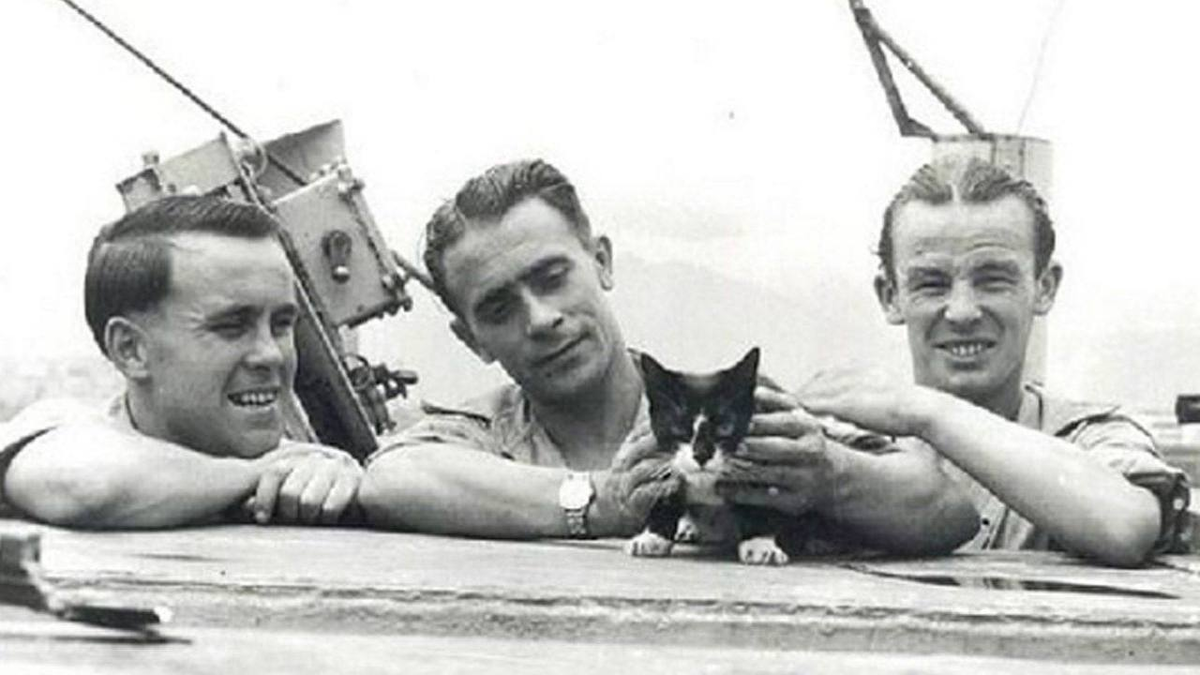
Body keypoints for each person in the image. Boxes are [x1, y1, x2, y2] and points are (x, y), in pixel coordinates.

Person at [358, 159, 978, 554]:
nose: (541, 318)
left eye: (552, 277)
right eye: (498, 308)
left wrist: (829, 476)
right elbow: (393, 477)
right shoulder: (479, 435)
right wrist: (605, 501)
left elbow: (945, 508)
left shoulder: (728, 409)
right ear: (471, 339)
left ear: (602, 262)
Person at [796, 156, 1190, 566]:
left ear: (1044, 287)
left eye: (993, 280)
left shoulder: (1090, 437)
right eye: (932, 284)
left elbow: (1126, 525)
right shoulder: (835, 441)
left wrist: (924, 412)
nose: (962, 312)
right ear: (890, 296)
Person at [0, 196, 361, 529]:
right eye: (231, 326)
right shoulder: (61, 431)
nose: (271, 354)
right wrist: (261, 474)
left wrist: (332, 475)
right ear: (130, 349)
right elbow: (87, 487)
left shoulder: (304, 465)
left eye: (281, 324)